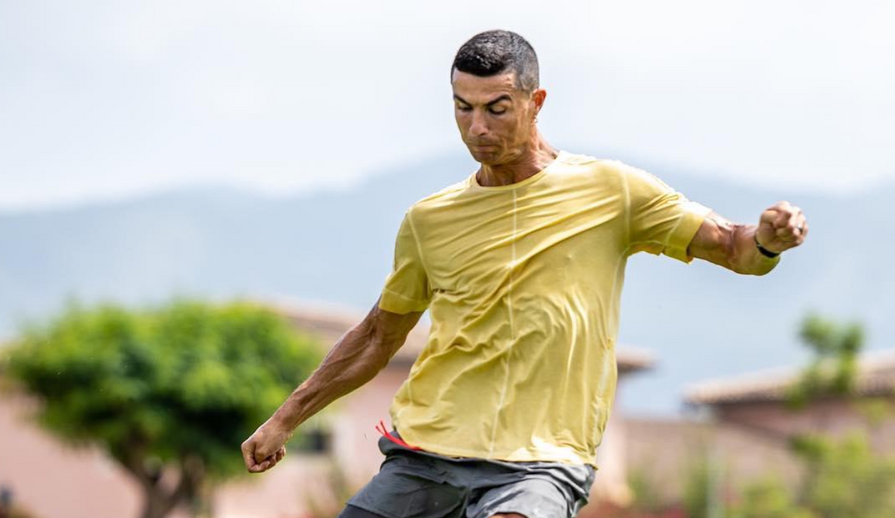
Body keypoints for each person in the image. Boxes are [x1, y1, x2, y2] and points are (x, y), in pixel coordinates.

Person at [241, 30, 808, 518]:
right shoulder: (428, 220)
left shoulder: (611, 191)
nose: (477, 127)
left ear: (536, 102)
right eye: (463, 107)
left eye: (497, 108)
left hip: (542, 462)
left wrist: (766, 240)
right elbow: (376, 337)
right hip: (427, 454)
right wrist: (284, 420)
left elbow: (732, 247)